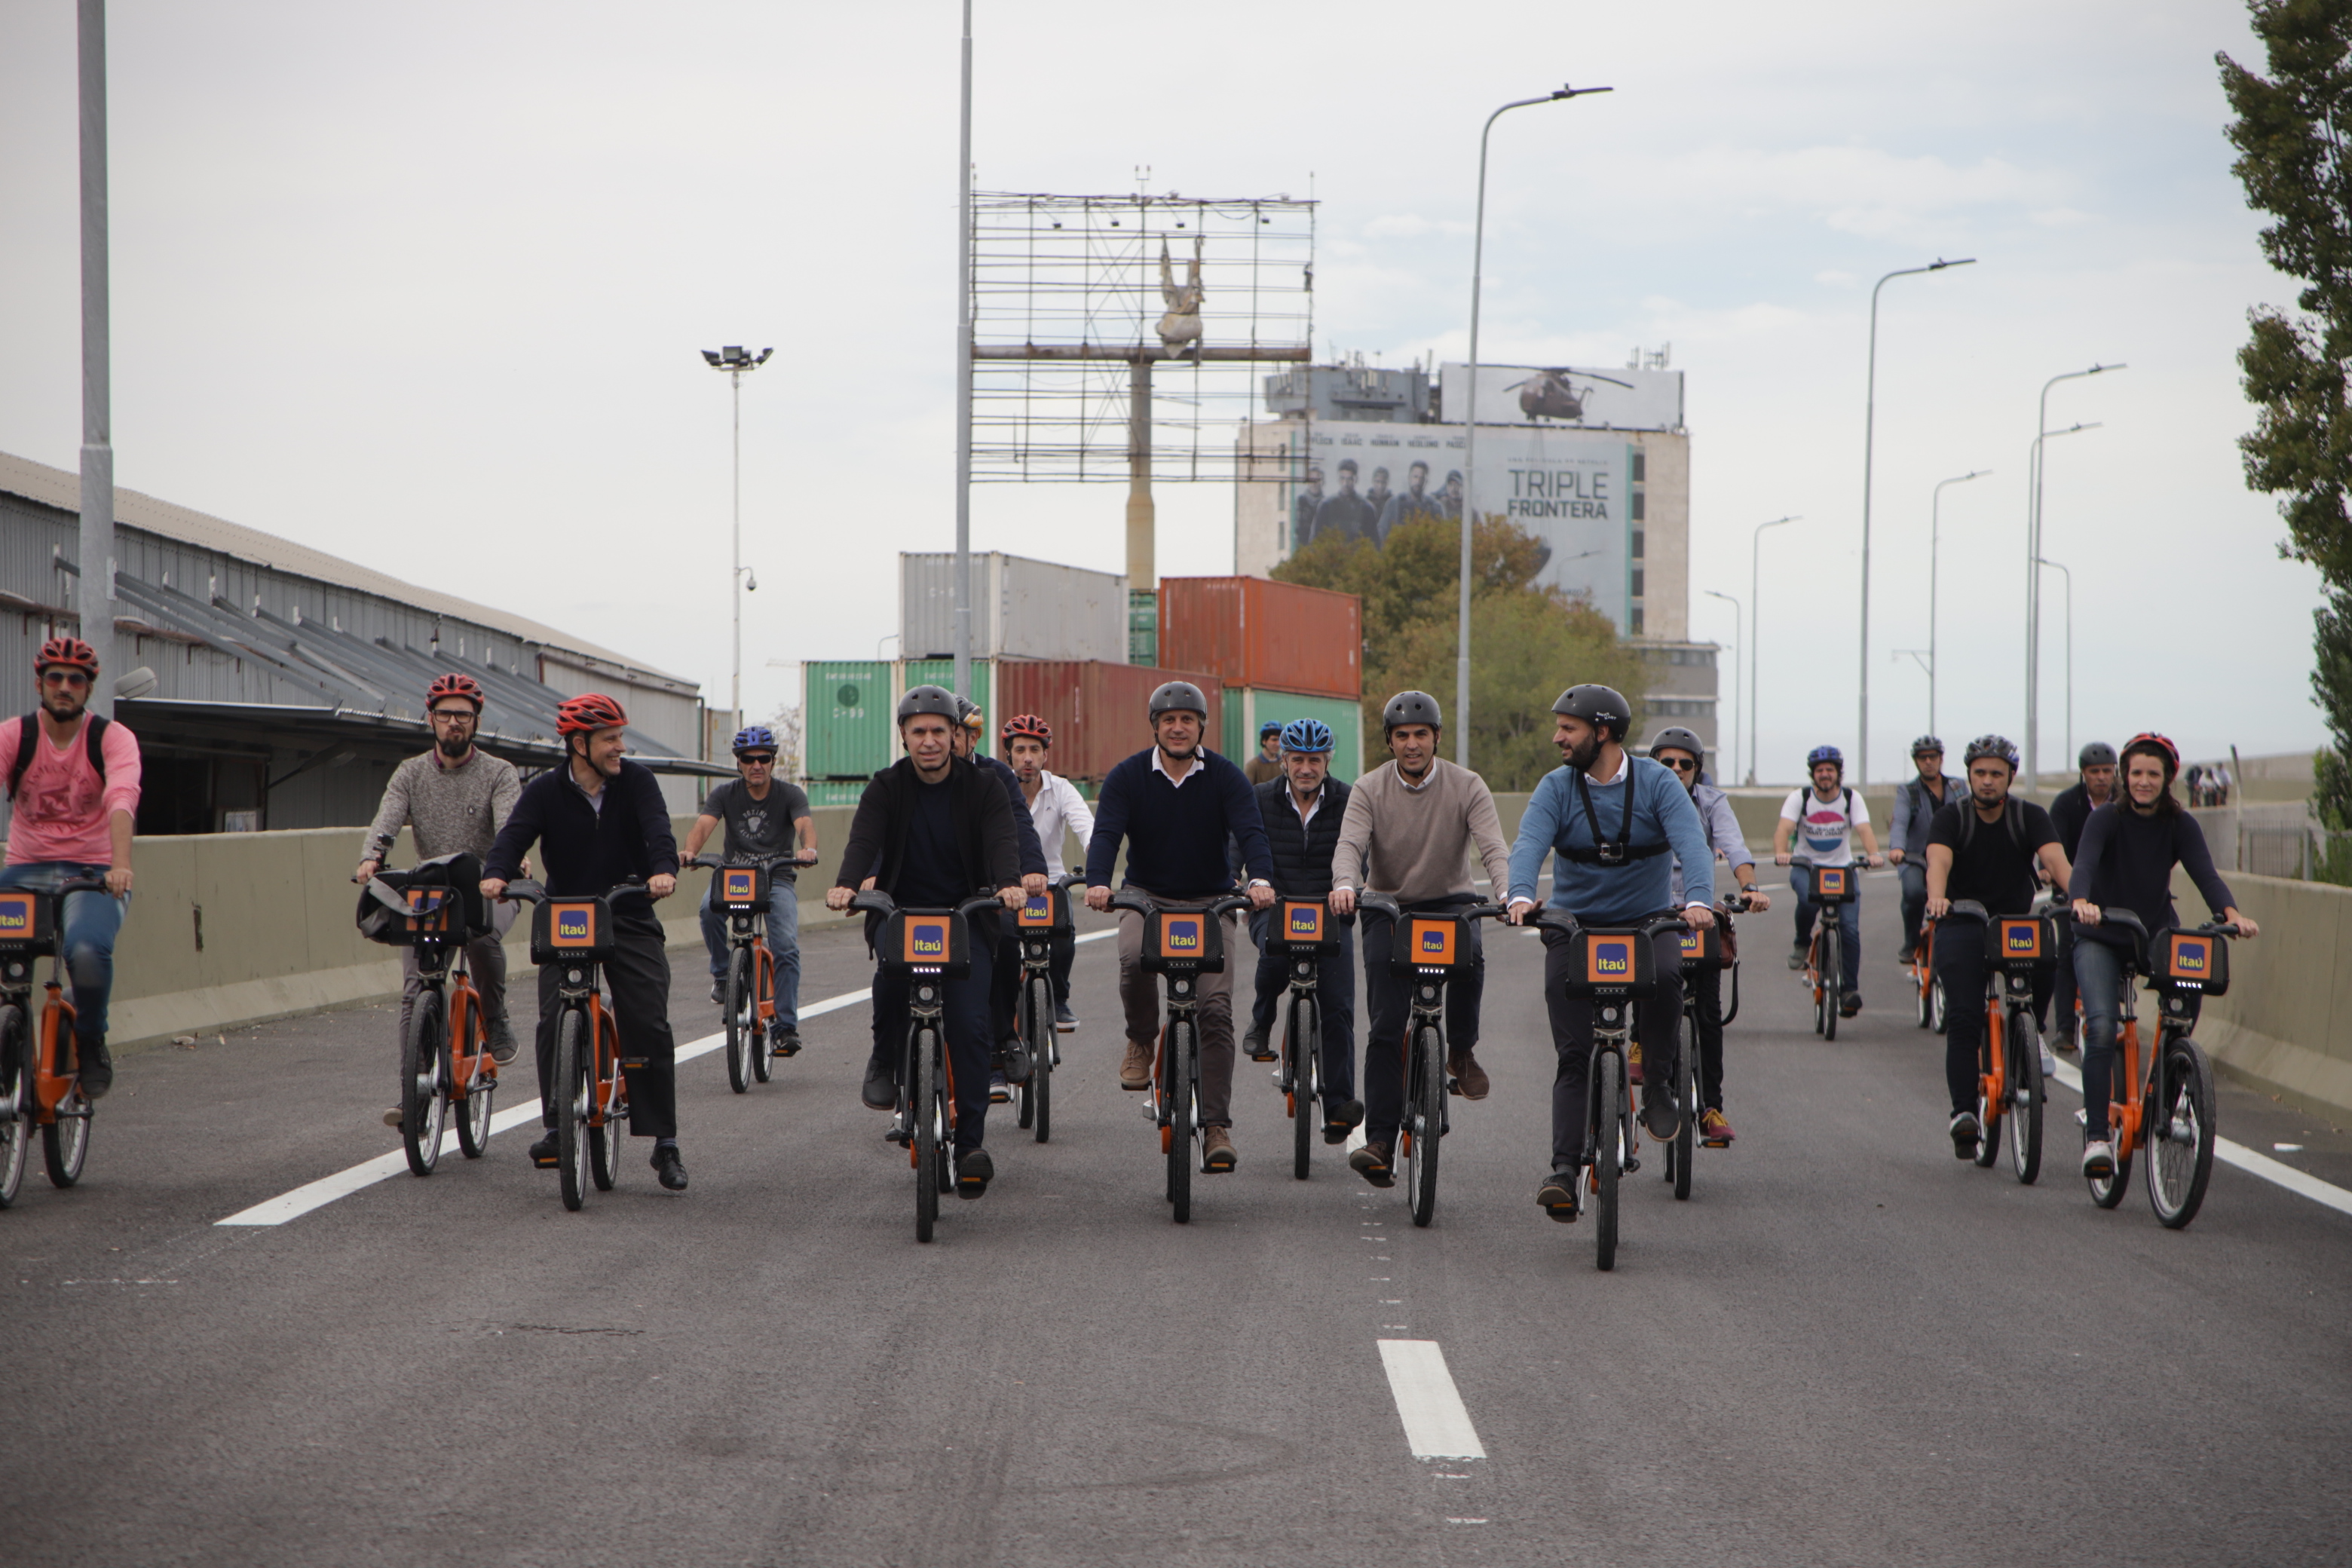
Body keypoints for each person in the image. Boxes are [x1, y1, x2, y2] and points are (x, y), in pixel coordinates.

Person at [1508, 687, 1717, 1221]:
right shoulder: (1556, 787)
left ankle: (1660, 1085)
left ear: (1601, 732)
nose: (1558, 737)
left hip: (1647, 922)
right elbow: (1529, 842)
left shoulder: (1658, 783)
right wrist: (1520, 895)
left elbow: (1692, 843)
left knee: (1672, 976)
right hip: (1574, 925)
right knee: (1574, 1054)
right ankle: (1562, 1171)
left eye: (1568, 728)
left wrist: (1695, 900)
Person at [481, 693, 689, 1190]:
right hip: (568, 915)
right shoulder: (545, 791)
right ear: (580, 744)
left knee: (647, 1018)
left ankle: (665, 1142)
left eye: (621, 736)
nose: (620, 747)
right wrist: (496, 873)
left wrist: (663, 870)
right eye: (610, 739)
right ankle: (557, 1125)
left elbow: (659, 832)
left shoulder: (637, 782)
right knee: (554, 1016)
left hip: (628, 911)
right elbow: (514, 837)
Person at [830, 685, 1028, 1198]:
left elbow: (1004, 839)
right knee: (889, 991)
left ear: (955, 736)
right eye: (918, 731)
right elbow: (863, 840)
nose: (930, 741)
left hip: (966, 917)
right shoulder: (885, 787)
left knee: (969, 1025)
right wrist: (848, 885)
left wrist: (1007, 883)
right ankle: (883, 1059)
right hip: (903, 916)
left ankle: (969, 1147)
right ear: (904, 736)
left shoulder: (984, 786)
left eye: (940, 731)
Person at [1084, 680, 1276, 1173]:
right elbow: (1107, 832)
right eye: (1168, 720)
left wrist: (1261, 880)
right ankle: (1142, 1038)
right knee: (1131, 959)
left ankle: (1216, 1126)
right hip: (1147, 897)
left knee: (1214, 1008)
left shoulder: (1226, 776)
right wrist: (1100, 883)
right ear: (1155, 726)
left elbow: (1250, 830)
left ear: (1200, 726)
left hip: (1212, 900)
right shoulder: (1128, 776)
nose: (1177, 727)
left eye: (1187, 720)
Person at [1330, 691, 1512, 1189]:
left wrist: (1508, 894)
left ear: (1436, 737)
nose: (1412, 744)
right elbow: (1349, 845)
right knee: (1387, 1025)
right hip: (1386, 905)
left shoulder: (1467, 785)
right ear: (1390, 742)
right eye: (1402, 736)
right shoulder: (1368, 789)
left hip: (1450, 901)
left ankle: (1462, 1051)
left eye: (1421, 735)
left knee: (1472, 954)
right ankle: (1382, 1141)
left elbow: (1493, 847)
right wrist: (1346, 886)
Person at [2069, 733, 2256, 1178]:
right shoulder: (2107, 819)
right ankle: (2097, 1136)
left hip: (2154, 933)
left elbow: (2205, 875)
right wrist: (2081, 901)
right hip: (2101, 932)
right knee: (2100, 1026)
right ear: (2124, 776)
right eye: (2136, 773)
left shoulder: (2179, 824)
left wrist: (2231, 913)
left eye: (2154, 774)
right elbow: (2085, 866)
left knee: (2187, 1000)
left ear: (2168, 778)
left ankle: (2163, 1096)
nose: (2144, 782)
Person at [357, 672, 523, 1128]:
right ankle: (413, 1090)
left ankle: (494, 1016)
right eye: (447, 714)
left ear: (476, 723)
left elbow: (511, 826)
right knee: (416, 990)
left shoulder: (499, 772)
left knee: (483, 938)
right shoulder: (410, 772)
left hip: (491, 886)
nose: (455, 723)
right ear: (430, 719)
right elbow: (386, 820)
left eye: (464, 716)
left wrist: (512, 863)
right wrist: (372, 857)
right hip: (431, 895)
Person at [0, 637, 141, 1098]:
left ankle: (90, 1038)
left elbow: (122, 797)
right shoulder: (13, 736)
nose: (65, 687)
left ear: (88, 689)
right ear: (40, 683)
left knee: (84, 950)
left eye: (76, 680)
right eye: (55, 678)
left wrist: (120, 866)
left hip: (93, 872)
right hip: (26, 869)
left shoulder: (111, 739)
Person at [1924, 733, 2073, 1160]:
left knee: (2048, 960)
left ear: (2011, 776)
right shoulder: (1952, 817)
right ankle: (1964, 1113)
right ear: (1969, 775)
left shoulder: (2030, 816)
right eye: (1979, 773)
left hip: (2013, 923)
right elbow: (1939, 861)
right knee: (1965, 1016)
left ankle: (2030, 1031)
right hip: (1961, 919)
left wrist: (2080, 897)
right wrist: (1938, 897)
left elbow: (2057, 863)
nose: (1987, 781)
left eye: (1996, 774)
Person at [1649, 726, 1769, 1147]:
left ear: (1697, 771)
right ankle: (1636, 1044)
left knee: (1709, 1013)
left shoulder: (1713, 802)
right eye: (1667, 762)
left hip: (1699, 912)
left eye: (1686, 764)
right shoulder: (1640, 797)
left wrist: (1750, 887)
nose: (1677, 769)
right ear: (1654, 766)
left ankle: (1712, 1107)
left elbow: (1735, 847)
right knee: (1636, 979)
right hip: (1652, 908)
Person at [1242, 718, 1361, 1141]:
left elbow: (1366, 852)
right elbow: (1236, 848)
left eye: (1315, 760)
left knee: (1339, 1006)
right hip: (1273, 906)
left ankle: (1339, 1107)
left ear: (1328, 761)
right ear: (1283, 760)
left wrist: (1357, 889)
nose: (1306, 768)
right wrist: (1250, 885)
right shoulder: (1257, 799)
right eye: (1297, 760)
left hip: (1331, 914)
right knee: (1274, 954)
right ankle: (1262, 1020)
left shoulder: (1350, 800)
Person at [681, 724, 816, 1051]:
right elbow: (703, 825)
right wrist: (690, 851)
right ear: (739, 762)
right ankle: (724, 975)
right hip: (734, 876)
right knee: (706, 909)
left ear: (773, 761)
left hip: (776, 877)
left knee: (785, 946)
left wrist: (807, 849)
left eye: (763, 758)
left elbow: (805, 825)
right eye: (748, 758)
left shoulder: (790, 794)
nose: (757, 765)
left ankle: (785, 1027)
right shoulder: (724, 794)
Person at [948, 701, 1049, 1100]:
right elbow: (885, 832)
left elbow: (1018, 826)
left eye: (954, 732)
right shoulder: (909, 777)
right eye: (936, 731)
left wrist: (1032, 871)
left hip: (986, 891)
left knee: (1006, 939)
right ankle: (898, 1064)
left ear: (973, 737)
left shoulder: (995, 776)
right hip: (927, 893)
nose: (944, 740)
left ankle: (1003, 1038)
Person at [1772, 744, 1885, 1015]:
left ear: (1838, 773)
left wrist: (1873, 854)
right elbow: (1784, 829)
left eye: (1830, 770)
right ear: (1813, 774)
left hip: (1842, 870)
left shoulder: (1850, 797)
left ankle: (1849, 990)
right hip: (1807, 867)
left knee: (1849, 929)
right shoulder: (1800, 797)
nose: (1825, 774)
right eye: (1820, 770)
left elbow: (1864, 829)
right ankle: (1802, 941)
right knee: (1808, 902)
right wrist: (1782, 853)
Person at [1002, 713, 1092, 1030]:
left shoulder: (1061, 789)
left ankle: (1060, 1000)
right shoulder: (996, 788)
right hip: (1007, 886)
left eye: (1035, 751)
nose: (1028, 758)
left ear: (1046, 754)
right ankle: (1003, 1002)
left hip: (1051, 882)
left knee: (1064, 934)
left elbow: (1087, 828)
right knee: (1003, 943)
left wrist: (1098, 865)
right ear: (1008, 754)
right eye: (1020, 750)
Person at [2046, 740, 2119, 1052]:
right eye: (2095, 771)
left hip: (2114, 893)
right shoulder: (2066, 804)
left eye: (2107, 771)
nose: (2102, 777)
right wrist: (2055, 878)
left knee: (2118, 953)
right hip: (2071, 890)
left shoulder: (2126, 803)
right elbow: (2053, 846)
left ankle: (2116, 1017)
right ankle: (2065, 1027)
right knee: (2066, 955)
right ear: (2083, 773)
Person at [1887, 735, 1957, 961]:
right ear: (1916, 761)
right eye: (1922, 758)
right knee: (1914, 893)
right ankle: (1911, 941)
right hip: (1915, 857)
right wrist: (1897, 848)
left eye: (1933, 757)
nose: (1928, 762)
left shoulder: (1957, 787)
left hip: (1952, 856)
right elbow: (1899, 821)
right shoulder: (1908, 792)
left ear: (1941, 758)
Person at [1308, 458, 1378, 547]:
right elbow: (1315, 540)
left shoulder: (1366, 508)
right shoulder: (1326, 506)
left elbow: (1374, 543)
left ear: (1356, 480)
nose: (1345, 483)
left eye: (1349, 479)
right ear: (1338, 479)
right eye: (1342, 479)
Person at [1377, 460, 1444, 542]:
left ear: (1426, 481)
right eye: (1415, 477)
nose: (1418, 481)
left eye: (1422, 478)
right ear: (1409, 478)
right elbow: (1382, 532)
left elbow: (1440, 536)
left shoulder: (1434, 507)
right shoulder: (1395, 503)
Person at [1291, 465, 1325, 554]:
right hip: (1303, 550)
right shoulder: (1300, 502)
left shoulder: (1326, 505)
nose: (1314, 483)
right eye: (1311, 480)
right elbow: (1295, 529)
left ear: (1322, 482)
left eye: (1317, 480)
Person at [1245, 721, 1285, 786]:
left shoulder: (1284, 763)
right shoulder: (1252, 766)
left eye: (1280, 740)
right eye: (1274, 740)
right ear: (1264, 741)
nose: (1278, 744)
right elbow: (1246, 790)